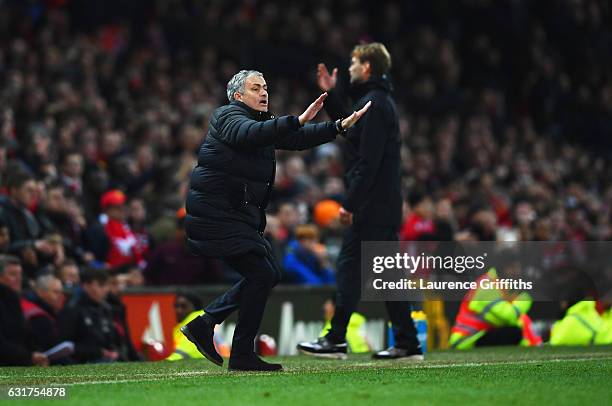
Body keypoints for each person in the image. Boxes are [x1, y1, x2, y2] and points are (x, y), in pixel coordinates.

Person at [181, 69, 370, 372]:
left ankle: (210, 327)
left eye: (265, 87)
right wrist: (295, 120)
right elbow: (253, 134)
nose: (264, 92)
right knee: (262, 273)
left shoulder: (262, 124)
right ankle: (228, 342)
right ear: (238, 96)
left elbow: (296, 138)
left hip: (236, 216)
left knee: (267, 273)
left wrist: (337, 127)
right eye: (256, 88)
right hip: (216, 215)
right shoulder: (227, 116)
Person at [298, 43, 423, 360]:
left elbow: (367, 161)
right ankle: (406, 342)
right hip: (379, 204)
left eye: (354, 62)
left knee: (351, 269)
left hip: (372, 205)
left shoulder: (376, 105)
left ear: (367, 67)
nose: (350, 68)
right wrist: (332, 97)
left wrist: (350, 203)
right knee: (383, 275)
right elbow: (354, 135)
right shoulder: (375, 102)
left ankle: (337, 338)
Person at [58, 267, 123, 363]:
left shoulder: (106, 308)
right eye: (101, 285)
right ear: (86, 286)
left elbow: (113, 340)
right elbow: (65, 347)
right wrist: (98, 352)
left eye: (106, 285)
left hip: (108, 361)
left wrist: (115, 352)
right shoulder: (72, 309)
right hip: (83, 364)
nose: (106, 290)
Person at [0, 255, 49, 366]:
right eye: (13, 274)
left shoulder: (14, 300)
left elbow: (24, 334)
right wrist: (29, 357)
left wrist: (36, 353)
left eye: (20, 274)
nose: (19, 278)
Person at [166, 291, 230, 361]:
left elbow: (186, 350)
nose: (178, 310)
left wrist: (168, 360)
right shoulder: (181, 325)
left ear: (195, 307)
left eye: (183, 306)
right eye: (176, 306)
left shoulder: (196, 319)